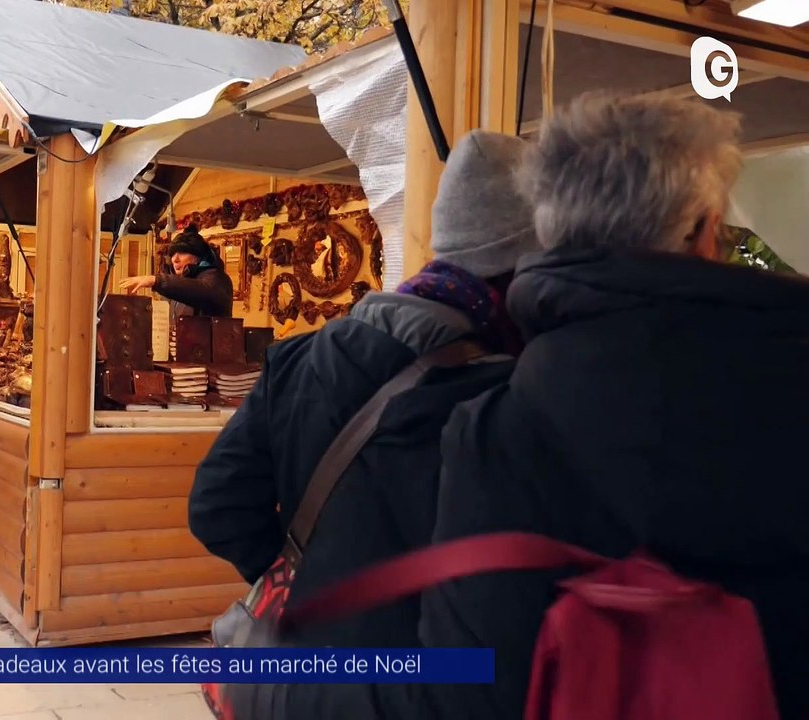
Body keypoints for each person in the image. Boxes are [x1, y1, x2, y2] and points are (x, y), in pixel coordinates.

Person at [238, 94, 809, 720]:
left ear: (551, 233)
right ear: (704, 232)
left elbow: (466, 697)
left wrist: (274, 681)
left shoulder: (506, 424)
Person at [191, 131, 536, 664]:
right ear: (521, 267)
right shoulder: (503, 389)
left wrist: (303, 580)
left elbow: (217, 505)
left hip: (305, 661)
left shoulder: (299, 358)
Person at [118, 224, 233, 318]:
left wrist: (156, 280)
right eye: (173, 254)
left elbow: (202, 290)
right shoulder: (180, 281)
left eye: (182, 252)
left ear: (197, 257)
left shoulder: (217, 278)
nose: (175, 259)